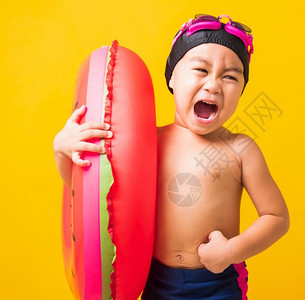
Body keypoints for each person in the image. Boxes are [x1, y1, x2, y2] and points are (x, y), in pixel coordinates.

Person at [53, 14, 289, 300]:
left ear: (241, 90)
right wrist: (63, 151)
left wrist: (231, 251)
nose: (213, 85)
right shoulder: (147, 142)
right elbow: (91, 199)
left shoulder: (240, 148)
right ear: (173, 78)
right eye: (201, 70)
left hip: (218, 282)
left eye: (229, 76)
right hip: (155, 280)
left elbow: (276, 217)